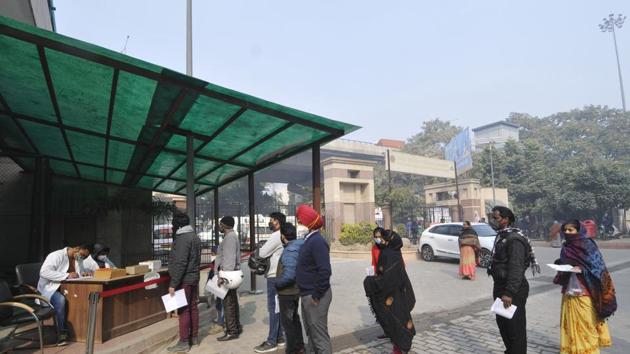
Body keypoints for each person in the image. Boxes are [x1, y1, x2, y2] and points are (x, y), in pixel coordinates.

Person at [553, 220, 616, 354]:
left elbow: (598, 267)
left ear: (579, 230)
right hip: (570, 292)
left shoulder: (588, 244)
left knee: (587, 325)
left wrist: (581, 269)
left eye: (571, 230)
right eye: (565, 230)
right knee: (571, 326)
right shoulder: (566, 246)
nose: (567, 233)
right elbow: (565, 263)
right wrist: (561, 266)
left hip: (586, 292)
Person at [487, 206, 540, 354]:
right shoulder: (502, 236)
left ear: (506, 219)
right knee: (503, 325)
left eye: (495, 218)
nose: (492, 221)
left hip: (512, 291)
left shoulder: (514, 239)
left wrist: (509, 293)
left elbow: (516, 269)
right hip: (501, 286)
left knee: (514, 329)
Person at [364, 230, 416, 354]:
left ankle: (399, 349)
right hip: (399, 293)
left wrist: (370, 281)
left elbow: (385, 279)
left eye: (384, 239)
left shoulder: (388, 254)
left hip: (391, 295)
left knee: (395, 322)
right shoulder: (395, 252)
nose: (382, 241)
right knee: (401, 320)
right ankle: (399, 348)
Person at [38, 243, 93, 345]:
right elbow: (44, 272)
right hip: (50, 289)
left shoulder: (77, 259)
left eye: (84, 257)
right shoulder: (56, 255)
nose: (82, 258)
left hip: (67, 288)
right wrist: (66, 275)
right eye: (82, 255)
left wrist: (84, 273)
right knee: (61, 300)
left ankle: (81, 332)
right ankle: (62, 335)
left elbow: (78, 273)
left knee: (82, 297)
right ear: (76, 248)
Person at [295, 204, 332, 354]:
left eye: (300, 221)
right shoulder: (309, 239)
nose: (298, 224)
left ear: (308, 223)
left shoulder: (317, 241)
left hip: (315, 295)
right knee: (311, 334)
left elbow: (325, 271)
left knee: (319, 337)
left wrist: (316, 296)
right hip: (307, 294)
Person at [167, 210, 202, 353]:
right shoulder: (194, 237)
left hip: (184, 279)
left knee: (183, 310)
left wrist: (173, 284)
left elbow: (181, 263)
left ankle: (183, 342)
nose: (171, 228)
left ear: (177, 226)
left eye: (172, 225)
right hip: (193, 277)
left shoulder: (182, 239)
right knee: (193, 307)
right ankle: (194, 338)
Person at [254, 212, 287, 353]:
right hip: (280, 275)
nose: (269, 222)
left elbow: (261, 253)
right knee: (277, 308)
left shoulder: (276, 236)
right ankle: (280, 338)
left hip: (274, 276)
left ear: (277, 222)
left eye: (271, 220)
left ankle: (271, 341)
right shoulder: (284, 235)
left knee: (273, 308)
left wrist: (259, 249)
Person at [275, 223, 306, 354]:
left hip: (287, 292)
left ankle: (293, 349)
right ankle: (299, 347)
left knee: (288, 323)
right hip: (296, 290)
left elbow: (289, 275)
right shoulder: (300, 246)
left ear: (283, 236)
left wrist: (277, 283)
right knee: (294, 319)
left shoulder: (290, 250)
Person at [215, 216, 242, 341]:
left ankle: (232, 331)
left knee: (228, 303)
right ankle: (236, 327)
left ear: (224, 225)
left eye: (220, 224)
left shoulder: (230, 238)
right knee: (232, 301)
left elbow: (229, 259)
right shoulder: (230, 237)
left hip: (228, 275)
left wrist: (223, 277)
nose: (219, 226)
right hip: (230, 274)